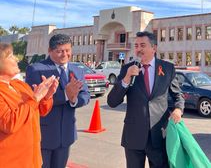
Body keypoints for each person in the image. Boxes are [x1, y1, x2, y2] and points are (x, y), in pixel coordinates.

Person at [108, 31, 185, 168]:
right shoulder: (127, 68)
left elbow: (177, 95)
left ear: (154, 48)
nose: (138, 49)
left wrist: (178, 109)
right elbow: (112, 101)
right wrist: (126, 79)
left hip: (159, 135)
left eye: (142, 45)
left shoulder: (167, 68)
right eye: (136, 45)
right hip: (133, 136)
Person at [26, 34, 90, 168]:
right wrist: (66, 95)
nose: (64, 54)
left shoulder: (77, 70)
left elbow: (85, 95)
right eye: (59, 51)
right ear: (50, 51)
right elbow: (34, 99)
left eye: (67, 50)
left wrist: (74, 100)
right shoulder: (36, 69)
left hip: (66, 134)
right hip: (45, 136)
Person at [0, 43, 58, 168]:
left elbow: (39, 110)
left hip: (32, 159)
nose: (16, 59)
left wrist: (46, 96)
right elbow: (10, 123)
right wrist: (36, 97)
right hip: (10, 162)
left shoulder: (20, 85)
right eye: (10, 56)